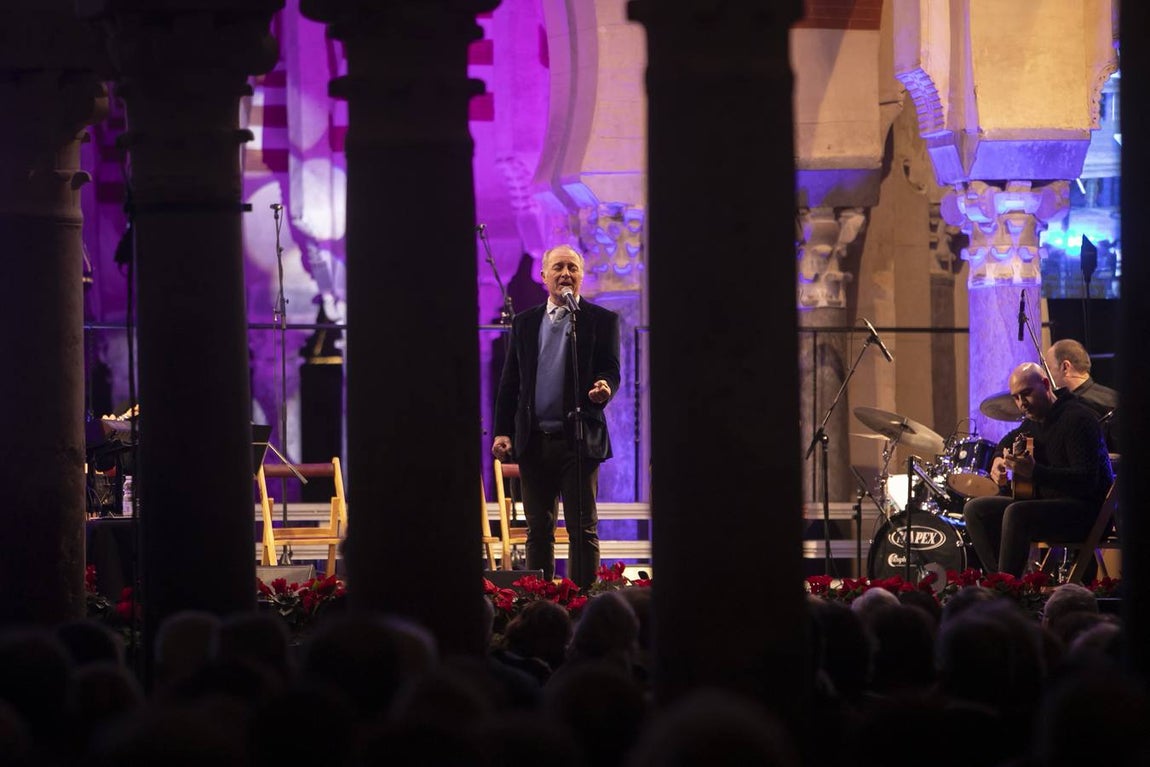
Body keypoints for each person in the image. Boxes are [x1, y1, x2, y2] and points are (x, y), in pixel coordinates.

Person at [492, 244, 620, 588]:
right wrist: (502, 431)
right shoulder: (525, 322)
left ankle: (582, 602)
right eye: (559, 267)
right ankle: (537, 602)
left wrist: (604, 387)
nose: (566, 274)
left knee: (583, 528)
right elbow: (511, 382)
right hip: (534, 441)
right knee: (538, 530)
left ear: (581, 275)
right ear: (543, 275)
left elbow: (611, 369)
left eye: (573, 268)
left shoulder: (601, 321)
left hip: (579, 440)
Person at [962, 362, 1113, 576]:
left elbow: (1086, 481)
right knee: (975, 509)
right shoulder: (1035, 420)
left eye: (1026, 394)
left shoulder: (1078, 418)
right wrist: (997, 459)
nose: (1021, 403)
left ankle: (1007, 591)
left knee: (1017, 512)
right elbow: (1007, 440)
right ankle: (1001, 582)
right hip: (1050, 504)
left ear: (1045, 384)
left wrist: (1035, 473)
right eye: (1016, 397)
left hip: (1087, 513)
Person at [1043, 338, 1119, 451]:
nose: (1046, 376)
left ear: (1065, 367)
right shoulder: (1115, 397)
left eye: (1048, 369)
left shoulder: (1073, 407)